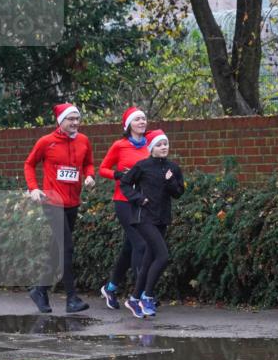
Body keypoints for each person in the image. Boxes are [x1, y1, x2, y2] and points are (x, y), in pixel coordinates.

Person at [23, 103, 95, 313]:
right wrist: (34, 188)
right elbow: (29, 164)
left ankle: (40, 290)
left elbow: (88, 163)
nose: (74, 123)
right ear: (60, 121)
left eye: (77, 119)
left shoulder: (83, 141)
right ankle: (71, 298)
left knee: (57, 249)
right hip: (52, 201)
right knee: (67, 247)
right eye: (69, 119)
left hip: (73, 202)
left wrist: (90, 176)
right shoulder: (46, 142)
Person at [120, 129, 184, 318]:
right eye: (159, 144)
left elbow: (179, 192)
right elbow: (124, 183)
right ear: (151, 148)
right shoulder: (142, 166)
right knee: (162, 256)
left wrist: (171, 181)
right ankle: (147, 297)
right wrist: (138, 198)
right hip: (143, 217)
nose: (163, 147)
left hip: (162, 218)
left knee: (148, 260)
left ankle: (133, 299)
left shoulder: (172, 168)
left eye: (165, 144)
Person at [98, 106, 149, 313]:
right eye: (137, 120)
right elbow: (102, 169)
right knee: (141, 244)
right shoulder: (119, 146)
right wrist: (119, 175)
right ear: (129, 125)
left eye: (144, 119)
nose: (142, 122)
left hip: (143, 202)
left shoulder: (150, 145)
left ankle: (110, 288)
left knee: (129, 248)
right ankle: (140, 294)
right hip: (123, 201)